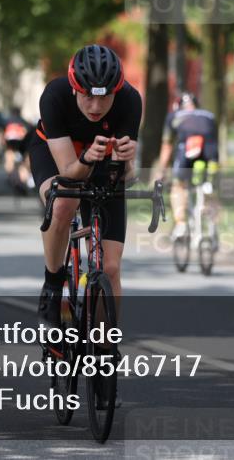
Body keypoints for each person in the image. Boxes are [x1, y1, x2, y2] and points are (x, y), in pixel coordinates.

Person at [28, 44, 141, 331]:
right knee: (64, 202)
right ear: (75, 88)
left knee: (111, 268)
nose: (96, 108)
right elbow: (68, 172)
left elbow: (124, 177)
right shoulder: (54, 95)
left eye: (105, 99)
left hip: (101, 159)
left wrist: (127, 164)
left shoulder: (130, 99)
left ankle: (104, 349)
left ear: (116, 91)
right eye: (88, 97)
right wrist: (87, 158)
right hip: (58, 156)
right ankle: (53, 284)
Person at [152, 92, 219, 239]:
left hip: (187, 149)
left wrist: (161, 170)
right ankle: (212, 218)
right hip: (209, 150)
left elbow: (167, 145)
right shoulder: (209, 115)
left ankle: (181, 223)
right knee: (211, 185)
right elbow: (215, 141)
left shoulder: (174, 116)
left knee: (178, 185)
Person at [1, 106, 34, 192]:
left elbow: (3, 134)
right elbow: (29, 132)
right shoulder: (23, 122)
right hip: (22, 143)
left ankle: (11, 177)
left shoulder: (6, 121)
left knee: (9, 157)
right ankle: (24, 181)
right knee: (23, 164)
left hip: (11, 143)